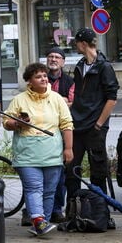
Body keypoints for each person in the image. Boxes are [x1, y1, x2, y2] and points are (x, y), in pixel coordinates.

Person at [3, 62, 74, 236]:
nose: (43, 78)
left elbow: (66, 124)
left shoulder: (57, 98)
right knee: (34, 187)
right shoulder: (19, 100)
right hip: (27, 153)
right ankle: (39, 220)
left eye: (44, 75)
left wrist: (69, 148)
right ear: (29, 82)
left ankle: (42, 223)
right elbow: (6, 122)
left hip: (52, 152)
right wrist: (18, 123)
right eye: (38, 76)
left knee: (49, 191)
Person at [65, 28, 119, 220]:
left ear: (83, 44)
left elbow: (112, 98)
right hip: (77, 124)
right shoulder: (80, 65)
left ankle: (100, 212)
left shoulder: (104, 67)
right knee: (71, 169)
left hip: (94, 126)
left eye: (77, 43)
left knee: (98, 170)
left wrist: (98, 125)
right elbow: (80, 95)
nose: (75, 46)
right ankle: (73, 212)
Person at [45, 47, 75, 223]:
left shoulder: (70, 81)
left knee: (60, 173)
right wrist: (61, 100)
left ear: (63, 62)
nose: (53, 59)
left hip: (62, 130)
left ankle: (56, 209)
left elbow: (72, 103)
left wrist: (55, 100)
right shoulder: (40, 77)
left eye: (57, 57)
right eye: (50, 56)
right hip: (43, 131)